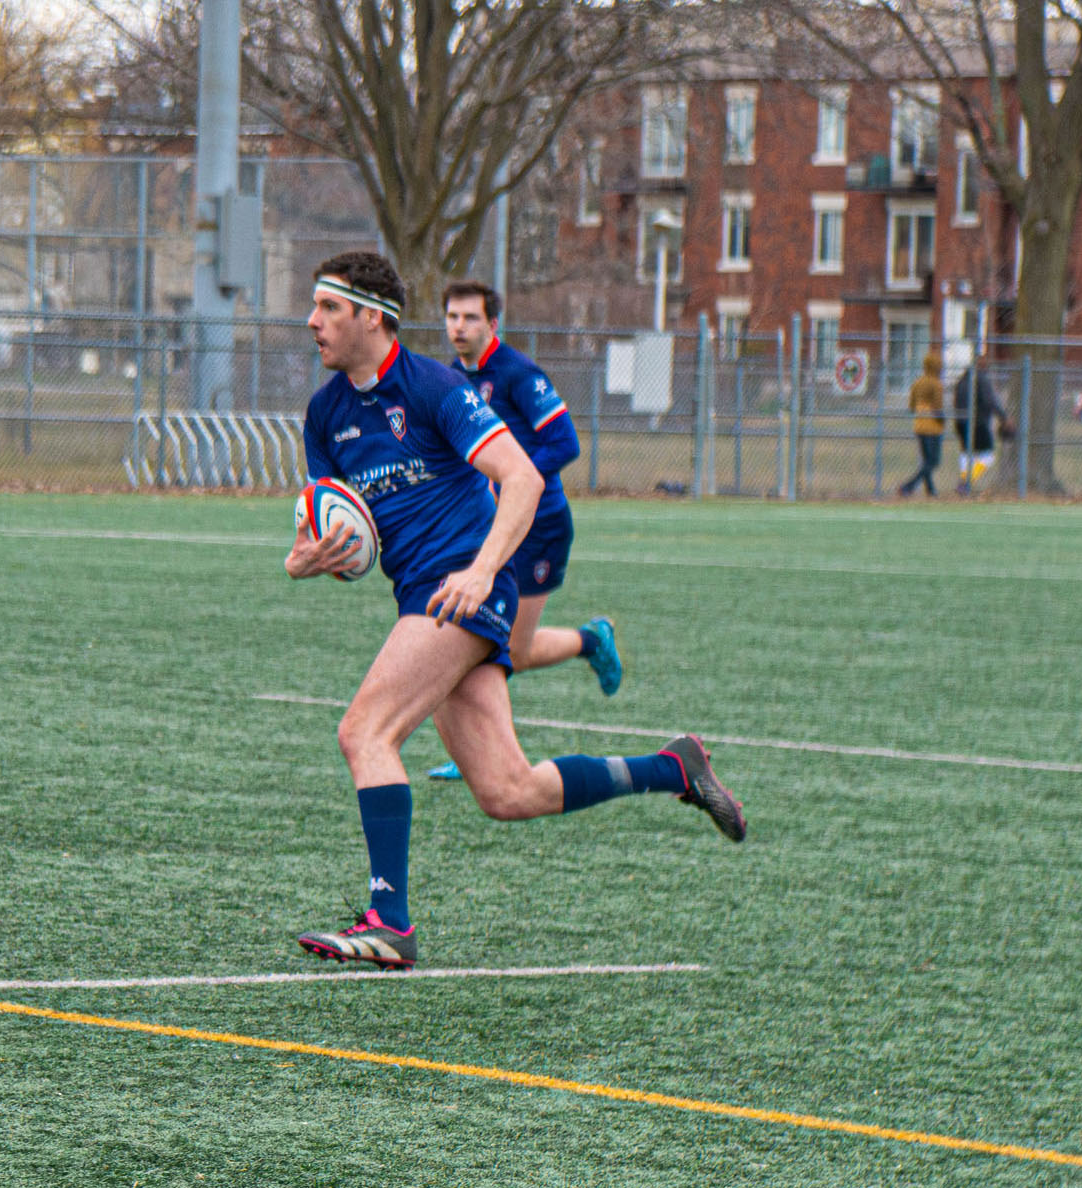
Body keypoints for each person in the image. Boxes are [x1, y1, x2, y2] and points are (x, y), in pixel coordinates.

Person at [286, 251, 745, 970]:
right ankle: (672, 769)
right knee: (508, 790)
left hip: (466, 591)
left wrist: (480, 569)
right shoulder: (326, 414)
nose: (311, 322)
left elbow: (524, 478)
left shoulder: (435, 389)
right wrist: (308, 556)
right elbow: (328, 524)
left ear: (372, 316)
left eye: (328, 308)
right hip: (423, 594)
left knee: (364, 731)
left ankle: (390, 921)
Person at [424, 279, 620, 783]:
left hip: (540, 526)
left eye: (470, 318)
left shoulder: (517, 374)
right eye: (452, 317)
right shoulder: (447, 379)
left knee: (506, 647)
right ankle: (588, 642)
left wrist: (511, 479)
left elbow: (564, 442)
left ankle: (588, 642)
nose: (459, 327)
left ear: (493, 324)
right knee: (486, 636)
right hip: (487, 529)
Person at [952, 357, 1012, 495]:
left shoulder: (962, 379)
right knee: (988, 456)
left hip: (960, 421)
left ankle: (964, 483)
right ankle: (965, 483)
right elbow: (990, 400)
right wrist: (1004, 418)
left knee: (966, 453)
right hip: (977, 422)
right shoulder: (981, 379)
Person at [896, 350, 945, 496]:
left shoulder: (917, 383)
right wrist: (942, 420)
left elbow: (911, 405)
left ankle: (931, 491)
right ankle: (908, 486)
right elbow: (937, 406)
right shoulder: (936, 384)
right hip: (933, 427)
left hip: (919, 425)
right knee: (933, 461)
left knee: (926, 461)